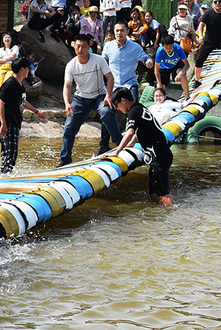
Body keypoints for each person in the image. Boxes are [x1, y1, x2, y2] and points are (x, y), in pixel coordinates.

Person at [105, 87, 174, 206]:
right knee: (153, 193)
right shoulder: (139, 107)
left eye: (117, 105)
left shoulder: (133, 112)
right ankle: (161, 219)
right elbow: (141, 128)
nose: (118, 109)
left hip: (159, 156)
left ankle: (175, 218)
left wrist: (117, 152)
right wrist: (132, 143)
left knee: (163, 194)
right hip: (159, 155)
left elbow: (130, 131)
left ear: (123, 100)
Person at [59, 34, 120, 167]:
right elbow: (67, 86)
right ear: (74, 47)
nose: (80, 49)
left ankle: (118, 142)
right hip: (80, 98)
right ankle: (65, 159)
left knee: (107, 111)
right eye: (77, 46)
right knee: (69, 128)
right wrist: (67, 103)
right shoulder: (71, 65)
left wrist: (108, 95)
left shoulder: (98, 60)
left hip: (99, 96)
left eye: (83, 46)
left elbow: (110, 77)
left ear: (89, 46)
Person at [99, 22, 154, 154]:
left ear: (127, 31)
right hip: (113, 86)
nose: (119, 33)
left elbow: (144, 57)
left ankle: (138, 140)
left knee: (135, 111)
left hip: (129, 84)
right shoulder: (108, 46)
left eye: (122, 30)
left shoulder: (134, 47)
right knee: (106, 112)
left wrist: (148, 60)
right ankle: (104, 145)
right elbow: (101, 63)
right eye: (117, 30)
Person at [0, 57, 47, 173]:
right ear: (22, 69)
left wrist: (37, 112)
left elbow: (23, 101)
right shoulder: (10, 84)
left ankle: (2, 176)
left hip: (13, 121)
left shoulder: (19, 85)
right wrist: (3, 124)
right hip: (8, 122)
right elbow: (0, 103)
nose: (29, 70)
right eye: (28, 68)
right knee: (10, 154)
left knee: (8, 154)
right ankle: (4, 178)